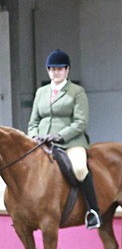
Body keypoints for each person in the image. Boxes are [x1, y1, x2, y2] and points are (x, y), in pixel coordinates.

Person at [27, 49, 100, 230]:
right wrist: (34, 136)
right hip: (41, 143)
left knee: (80, 168)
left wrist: (60, 136)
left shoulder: (76, 91)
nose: (55, 73)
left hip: (71, 142)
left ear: (67, 70)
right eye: (52, 69)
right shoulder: (41, 92)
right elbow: (33, 121)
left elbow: (80, 122)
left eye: (59, 69)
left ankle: (93, 211)